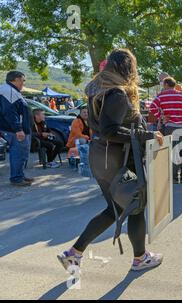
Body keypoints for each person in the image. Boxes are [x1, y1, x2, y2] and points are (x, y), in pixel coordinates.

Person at [57, 49, 165, 272]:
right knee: (135, 206)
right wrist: (147, 135)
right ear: (127, 68)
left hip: (101, 157)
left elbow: (105, 129)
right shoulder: (116, 93)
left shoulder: (99, 90)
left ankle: (73, 254)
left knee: (114, 209)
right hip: (120, 160)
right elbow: (110, 130)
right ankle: (140, 258)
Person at [151, 77, 182, 184]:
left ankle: (174, 177)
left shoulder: (162, 96)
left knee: (173, 152)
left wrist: (162, 116)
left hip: (170, 127)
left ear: (166, 85)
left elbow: (152, 108)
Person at [0, 71, 33, 187]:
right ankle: (17, 178)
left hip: (15, 129)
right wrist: (18, 129)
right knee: (18, 154)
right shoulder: (8, 91)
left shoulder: (11, 90)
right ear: (16, 80)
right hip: (14, 131)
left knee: (21, 154)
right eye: (23, 80)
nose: (23, 83)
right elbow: (10, 112)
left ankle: (19, 175)